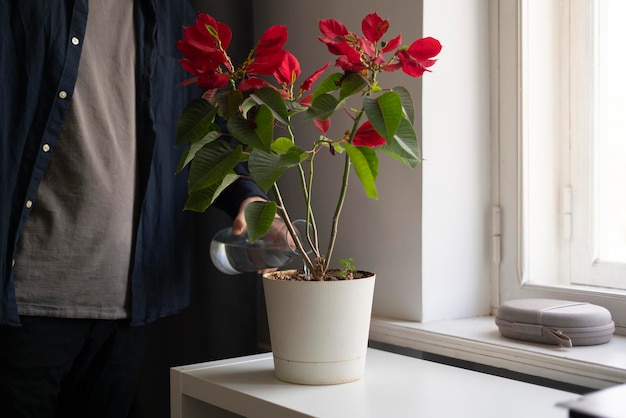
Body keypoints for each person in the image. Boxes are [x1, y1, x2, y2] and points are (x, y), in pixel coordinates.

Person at [0, 2, 271, 417]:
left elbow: (201, 128)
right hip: (28, 302)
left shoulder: (173, 10)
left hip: (128, 305)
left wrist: (247, 197)